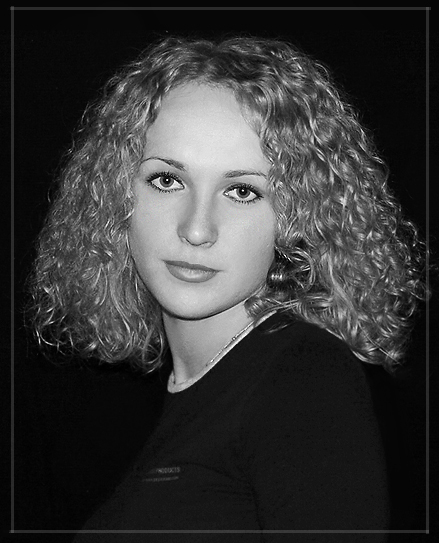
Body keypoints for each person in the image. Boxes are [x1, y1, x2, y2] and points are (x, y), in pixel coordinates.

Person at [27, 35, 427, 540]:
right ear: (114, 197)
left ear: (296, 220)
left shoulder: (303, 378)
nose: (197, 229)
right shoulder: (171, 397)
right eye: (167, 181)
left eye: (241, 191)